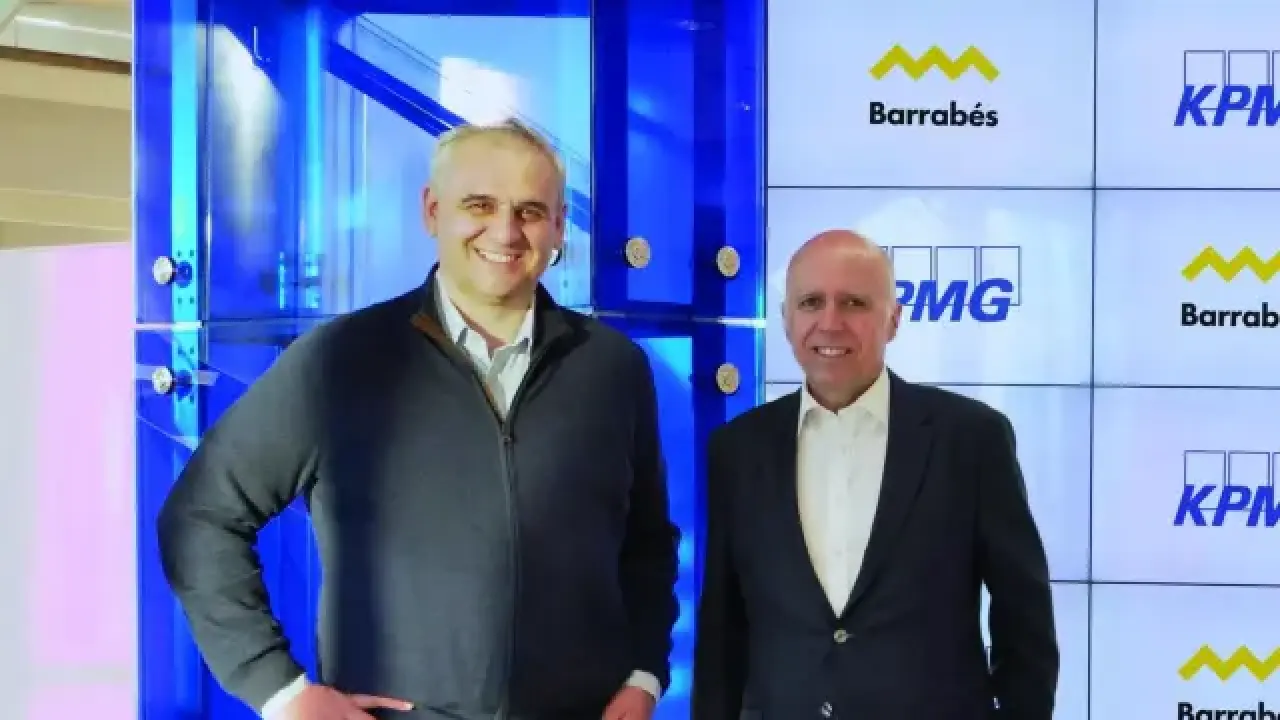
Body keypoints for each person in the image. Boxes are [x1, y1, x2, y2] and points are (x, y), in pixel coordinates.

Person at [158, 119, 680, 720]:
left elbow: (646, 543)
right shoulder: (341, 361)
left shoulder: (613, 368)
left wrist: (644, 674)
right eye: (479, 205)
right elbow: (201, 516)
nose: (505, 231)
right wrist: (279, 691)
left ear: (559, 226)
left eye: (530, 211)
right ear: (433, 211)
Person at [692, 229, 1059, 719]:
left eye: (854, 303)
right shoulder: (737, 448)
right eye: (811, 302)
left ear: (894, 319)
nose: (830, 322)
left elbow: (1025, 619)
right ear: (786, 320)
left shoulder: (971, 439)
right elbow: (722, 630)